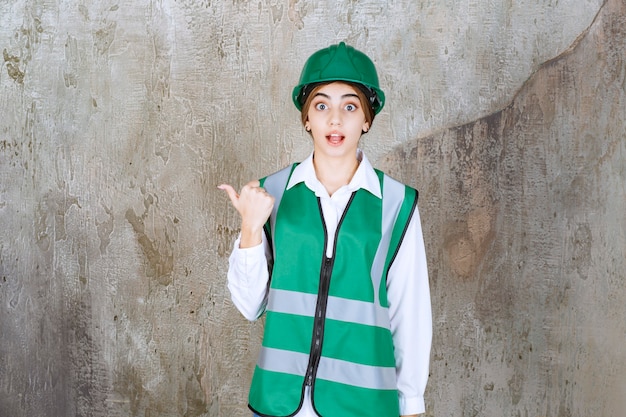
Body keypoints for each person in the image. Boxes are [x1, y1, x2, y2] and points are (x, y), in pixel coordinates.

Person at [219, 42, 432, 417]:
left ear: (366, 118)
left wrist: (411, 405)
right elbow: (250, 306)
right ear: (307, 119)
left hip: (363, 406)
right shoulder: (271, 194)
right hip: (279, 403)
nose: (335, 120)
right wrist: (251, 227)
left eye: (350, 107)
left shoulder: (397, 204)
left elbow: (409, 313)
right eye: (322, 106)